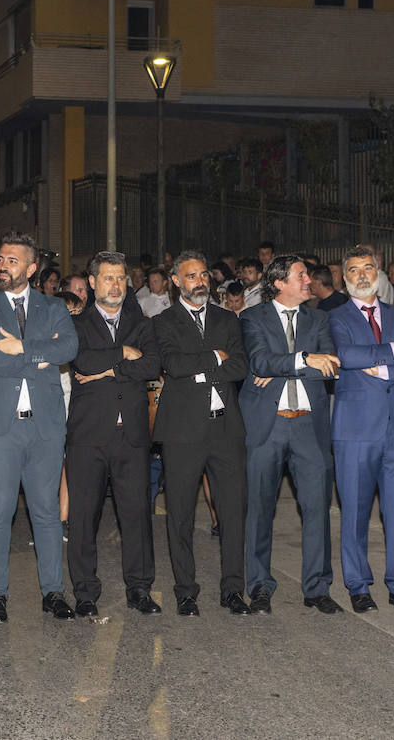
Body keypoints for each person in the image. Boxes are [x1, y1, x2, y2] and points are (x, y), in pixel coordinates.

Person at [0, 231, 78, 623]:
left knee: (47, 511)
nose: (2, 265)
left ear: (32, 268)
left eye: (12, 261)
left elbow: (69, 349)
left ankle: (53, 592)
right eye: (0, 258)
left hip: (45, 423)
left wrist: (23, 348)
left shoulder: (53, 307)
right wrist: (39, 358)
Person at [328, 247, 394, 613]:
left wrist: (388, 369)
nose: (361, 275)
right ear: (344, 277)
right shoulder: (336, 317)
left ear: (379, 273)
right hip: (355, 431)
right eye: (353, 270)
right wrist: (392, 350)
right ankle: (358, 585)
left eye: (367, 268)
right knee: (354, 511)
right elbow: (347, 356)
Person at [239, 255, 341, 615]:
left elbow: (329, 367)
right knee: (260, 509)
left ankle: (317, 588)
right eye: (301, 275)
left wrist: (287, 365)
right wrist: (302, 361)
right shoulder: (253, 317)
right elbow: (259, 362)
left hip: (309, 427)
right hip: (268, 425)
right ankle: (259, 587)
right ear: (279, 282)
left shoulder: (319, 318)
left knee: (316, 509)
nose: (308, 280)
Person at [153, 251, 251, 616]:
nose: (200, 281)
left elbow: (240, 365)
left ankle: (232, 589)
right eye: (191, 276)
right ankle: (185, 591)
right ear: (176, 280)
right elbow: (173, 365)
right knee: (180, 513)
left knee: (232, 511)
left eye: (204, 275)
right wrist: (215, 358)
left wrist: (202, 368)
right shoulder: (164, 321)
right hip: (182, 432)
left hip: (226, 429)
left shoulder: (227, 318)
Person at [66, 251, 161, 617]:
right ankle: (85, 592)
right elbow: (82, 362)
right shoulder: (76, 323)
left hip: (132, 434)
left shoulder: (143, 322)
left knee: (136, 514)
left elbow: (152, 365)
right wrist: (122, 353)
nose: (116, 285)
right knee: (84, 516)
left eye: (120, 278)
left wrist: (107, 371)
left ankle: (140, 588)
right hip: (89, 435)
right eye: (108, 278)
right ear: (92, 282)